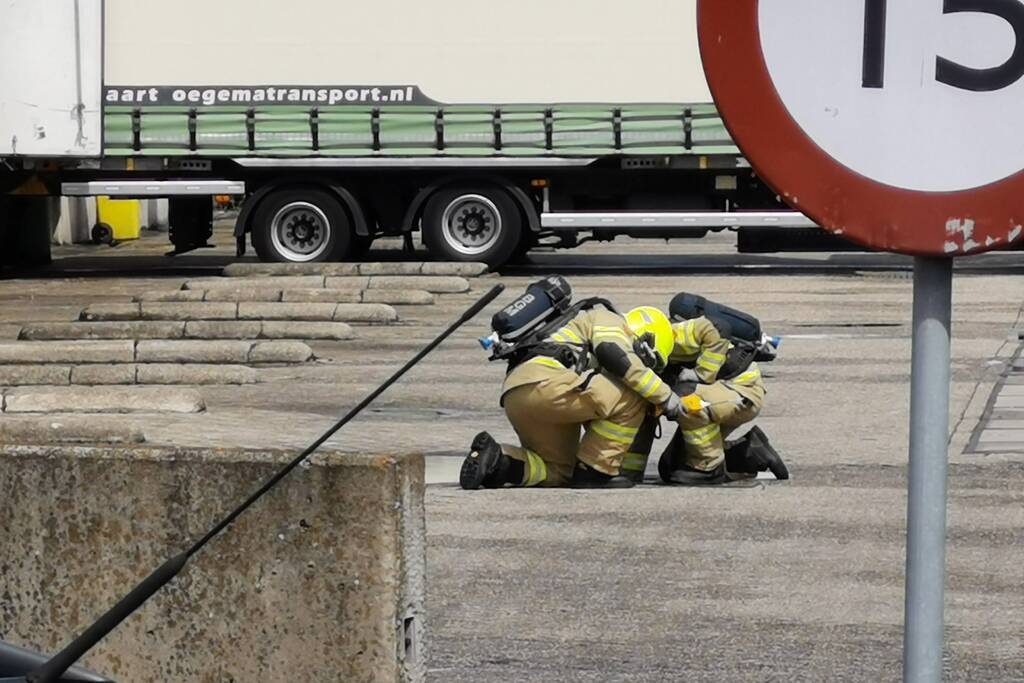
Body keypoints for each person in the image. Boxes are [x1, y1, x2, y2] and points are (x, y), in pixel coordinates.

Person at [459, 296, 683, 490]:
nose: (646, 366)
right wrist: (667, 397)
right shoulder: (610, 320)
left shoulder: (572, 326)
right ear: (646, 337)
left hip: (517, 395)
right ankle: (597, 470)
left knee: (557, 471)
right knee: (635, 393)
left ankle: (496, 461)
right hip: (549, 384)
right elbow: (613, 354)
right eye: (649, 361)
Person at [625, 303, 788, 485]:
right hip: (715, 395)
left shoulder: (679, 334)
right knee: (671, 468)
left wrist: (701, 375)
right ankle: (749, 451)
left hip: (741, 391)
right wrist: (630, 472)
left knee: (686, 399)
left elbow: (720, 328)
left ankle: (709, 468)